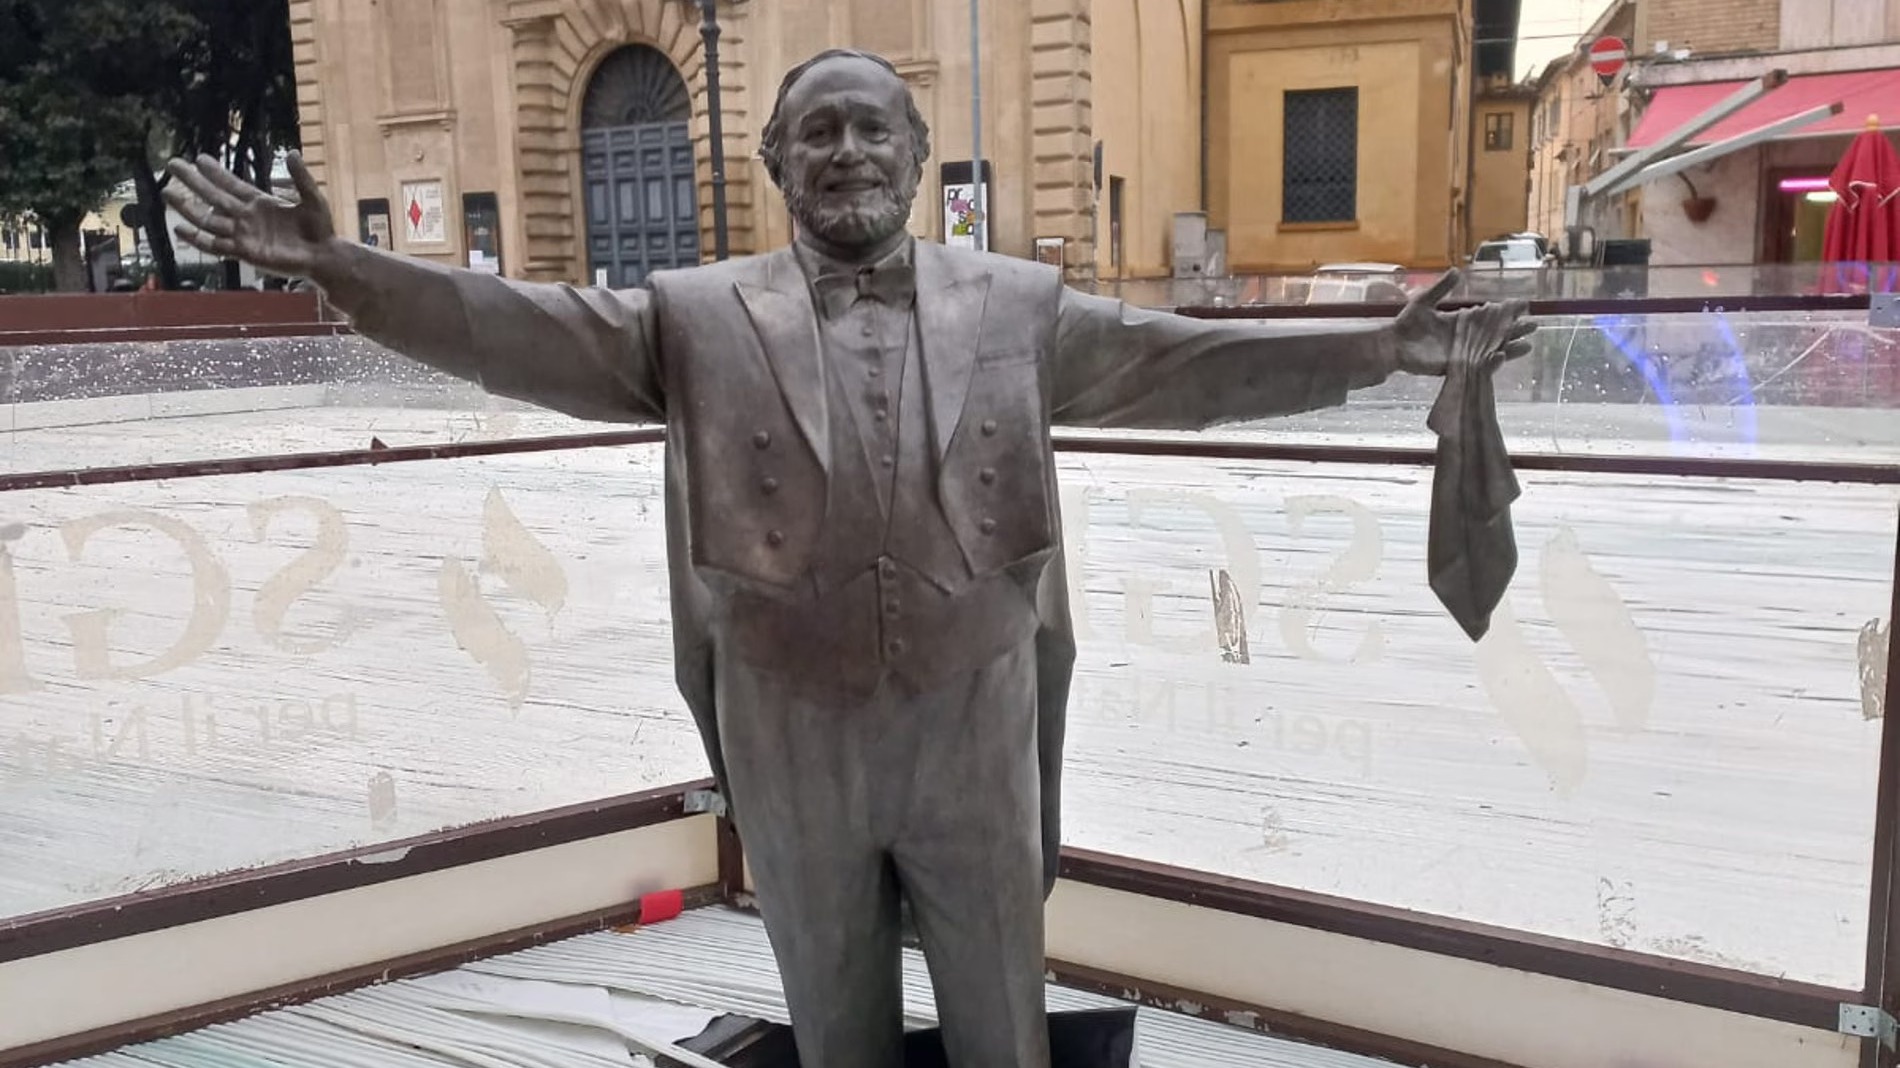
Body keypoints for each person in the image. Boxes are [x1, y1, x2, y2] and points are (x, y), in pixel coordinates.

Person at [163, 48, 1532, 1068]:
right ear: (776, 165)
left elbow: (1188, 368)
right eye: (816, 132)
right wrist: (347, 270)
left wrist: (1380, 348)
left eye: (873, 127)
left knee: (1003, 1025)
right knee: (835, 1029)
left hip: (973, 720)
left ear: (917, 154)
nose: (847, 152)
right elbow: (513, 329)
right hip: (792, 729)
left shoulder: (1019, 306)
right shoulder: (695, 317)